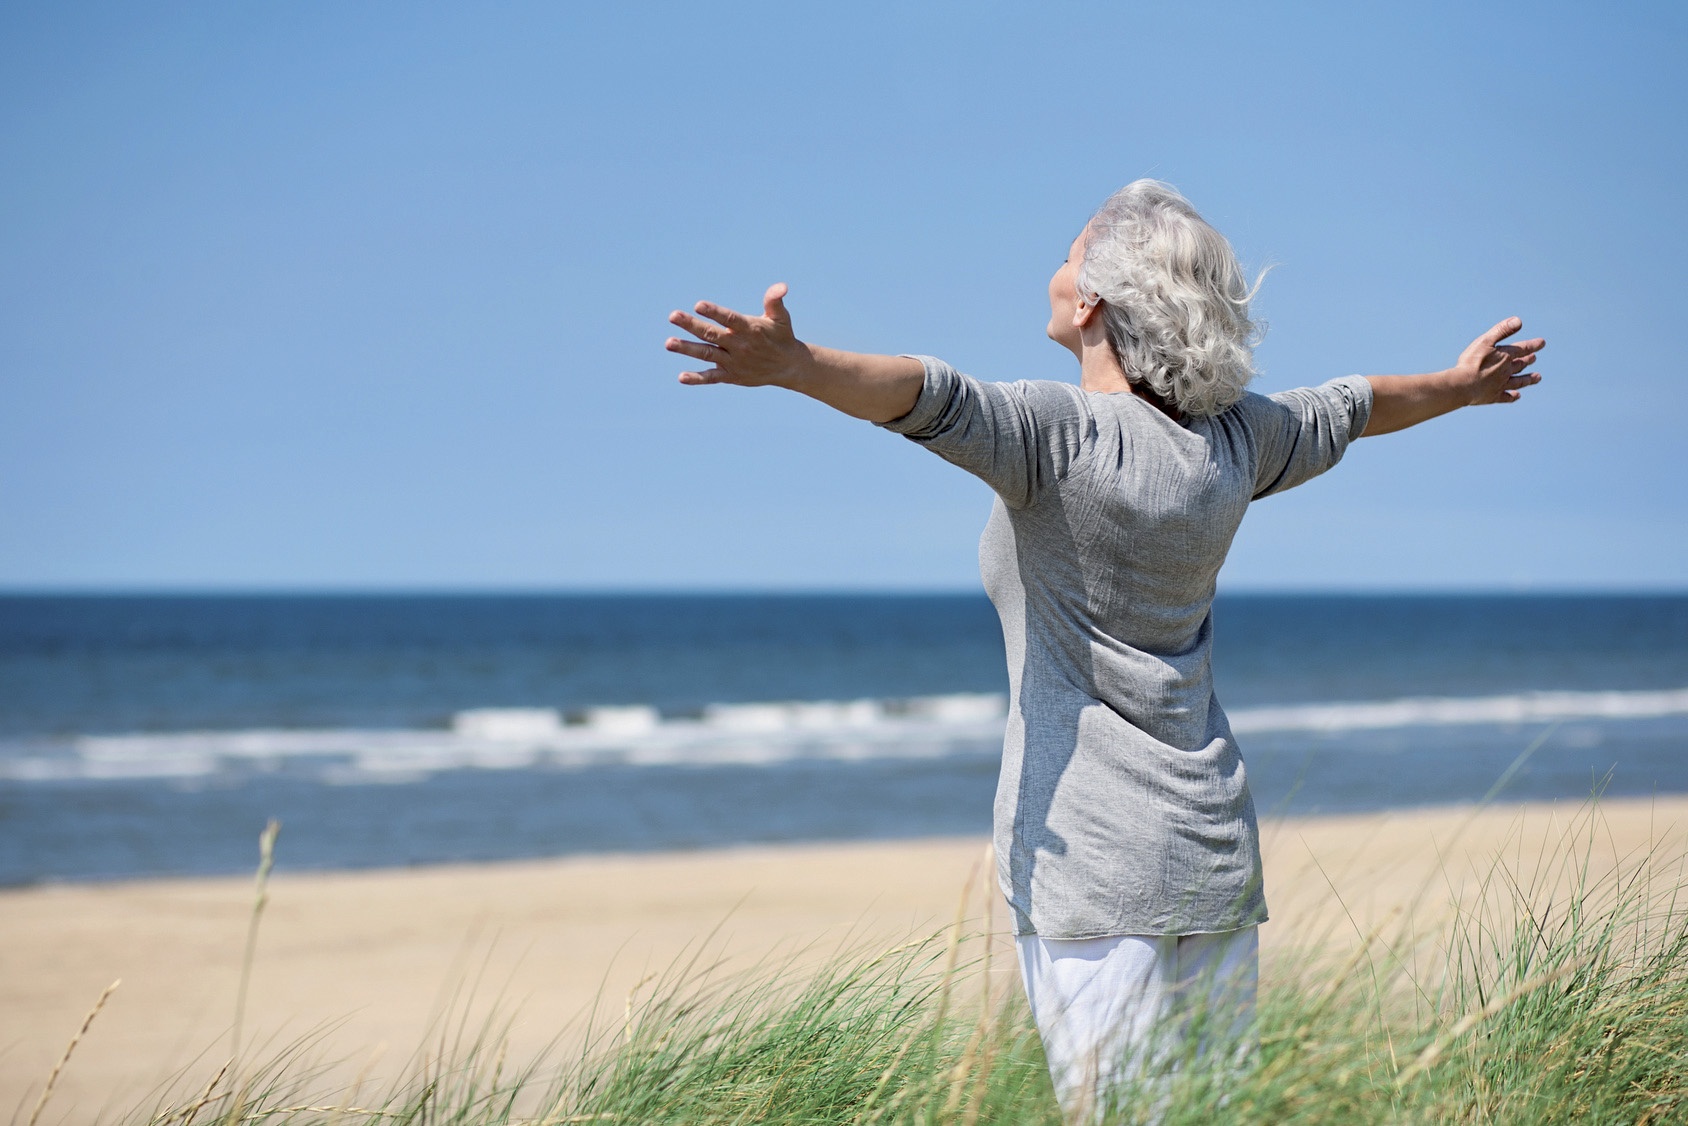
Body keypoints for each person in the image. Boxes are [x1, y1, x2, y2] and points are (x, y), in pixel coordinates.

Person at [662, 179, 1543, 1121]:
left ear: (1091, 303)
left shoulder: (1057, 437)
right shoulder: (1237, 443)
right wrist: (1464, 387)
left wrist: (798, 365)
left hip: (1096, 868)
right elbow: (1354, 406)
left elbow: (926, 393)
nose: (1053, 267)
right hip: (1211, 854)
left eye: (1069, 253)